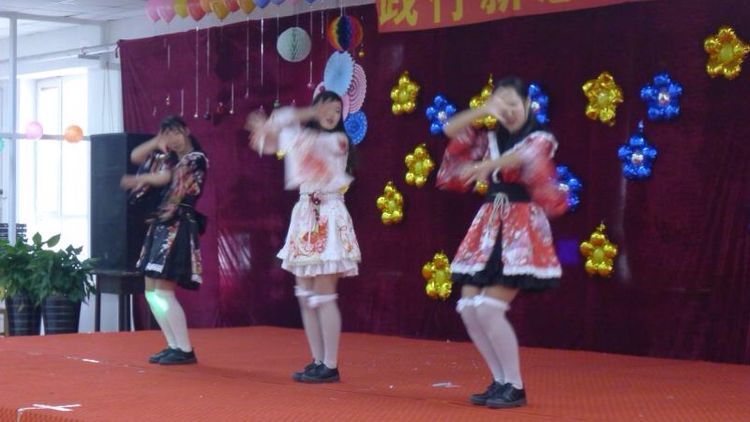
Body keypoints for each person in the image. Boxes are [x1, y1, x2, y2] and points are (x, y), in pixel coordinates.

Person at [436, 77, 568, 408]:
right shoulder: (491, 136)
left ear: (526, 104)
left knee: (489, 308)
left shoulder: (541, 137)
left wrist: (486, 165)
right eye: (501, 103)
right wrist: (483, 110)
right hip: (488, 226)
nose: (507, 110)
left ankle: (516, 386)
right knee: (469, 307)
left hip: (521, 228)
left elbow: (523, 158)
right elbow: (451, 129)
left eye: (513, 103)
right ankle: (500, 381)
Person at [246, 91, 361, 383]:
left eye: (337, 111)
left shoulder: (338, 141)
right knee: (305, 295)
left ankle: (330, 364)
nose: (331, 115)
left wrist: (276, 124)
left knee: (324, 294)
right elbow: (269, 140)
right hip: (305, 215)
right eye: (326, 108)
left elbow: (288, 133)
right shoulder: (304, 137)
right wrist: (270, 128)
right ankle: (317, 360)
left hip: (328, 215)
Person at [120, 115, 208, 365]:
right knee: (151, 292)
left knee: (163, 291)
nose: (174, 139)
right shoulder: (167, 158)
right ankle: (173, 344)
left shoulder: (196, 159)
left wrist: (142, 179)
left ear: (186, 131)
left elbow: (169, 178)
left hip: (178, 224)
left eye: (176, 133)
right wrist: (155, 142)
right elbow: (136, 156)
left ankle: (185, 349)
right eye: (168, 135)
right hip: (160, 224)